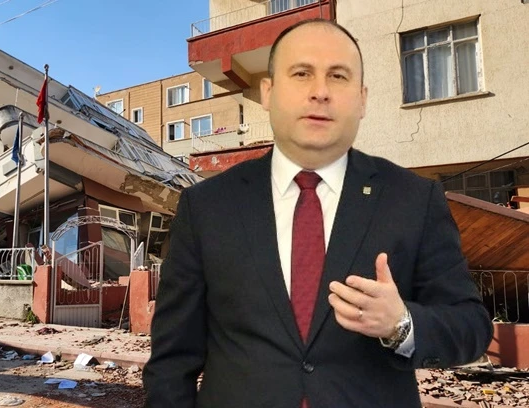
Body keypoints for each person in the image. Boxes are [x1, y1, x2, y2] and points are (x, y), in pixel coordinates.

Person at [143, 18, 493, 408]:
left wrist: (401, 324)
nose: (320, 92)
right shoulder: (207, 206)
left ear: (362, 99)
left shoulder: (413, 199)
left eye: (338, 76)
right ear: (268, 92)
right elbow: (172, 362)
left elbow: (471, 327)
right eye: (302, 73)